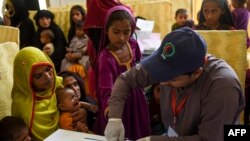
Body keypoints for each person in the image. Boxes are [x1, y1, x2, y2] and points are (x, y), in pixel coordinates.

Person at [104, 27, 245, 141]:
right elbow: (125, 80)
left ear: (197, 73)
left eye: (171, 79)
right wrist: (115, 117)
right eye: (160, 73)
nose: (162, 82)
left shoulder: (223, 86)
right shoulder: (166, 62)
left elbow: (209, 139)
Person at [95, 6, 150, 140]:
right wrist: (112, 113)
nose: (122, 37)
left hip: (136, 99)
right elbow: (105, 89)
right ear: (107, 31)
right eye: (116, 32)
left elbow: (139, 64)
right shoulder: (106, 58)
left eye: (126, 32)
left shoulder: (133, 44)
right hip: (119, 104)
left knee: (139, 133)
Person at [11, 47, 85, 140]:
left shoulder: (58, 84)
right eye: (38, 76)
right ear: (26, 80)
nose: (47, 77)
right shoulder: (21, 104)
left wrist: (82, 111)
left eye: (48, 69)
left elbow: (76, 104)